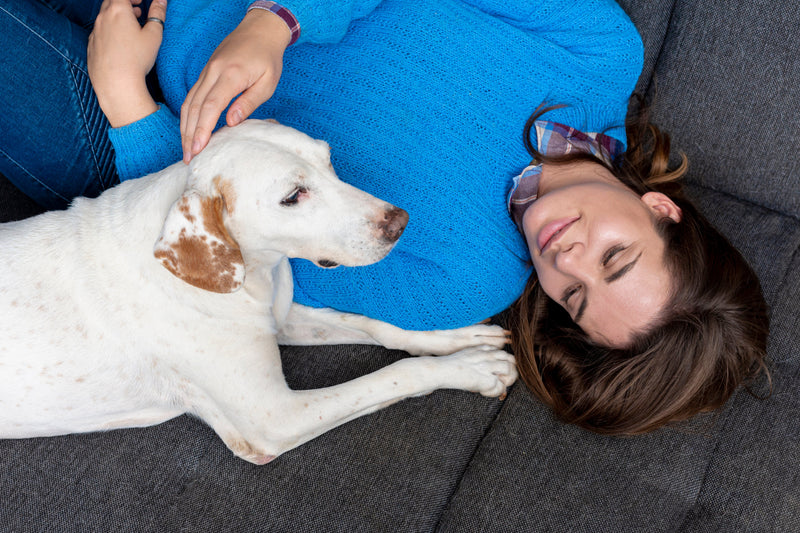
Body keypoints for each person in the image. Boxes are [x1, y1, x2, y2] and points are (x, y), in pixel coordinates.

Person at [0, 0, 769, 434]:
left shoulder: (458, 281)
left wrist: (127, 103)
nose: (565, 261)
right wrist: (277, 23)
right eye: (615, 257)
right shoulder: (599, 53)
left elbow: (225, 268)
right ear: (661, 209)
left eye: (574, 298)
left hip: (137, 135)